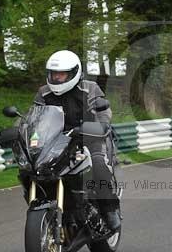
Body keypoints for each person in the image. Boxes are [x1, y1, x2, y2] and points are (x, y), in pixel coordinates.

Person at [32, 50, 122, 231]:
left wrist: (101, 125)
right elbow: (34, 118)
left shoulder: (89, 88)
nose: (57, 78)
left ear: (74, 72)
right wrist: (24, 132)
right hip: (56, 143)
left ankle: (109, 209)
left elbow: (103, 111)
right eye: (54, 73)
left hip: (89, 138)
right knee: (33, 169)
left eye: (61, 73)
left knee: (98, 163)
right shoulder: (43, 93)